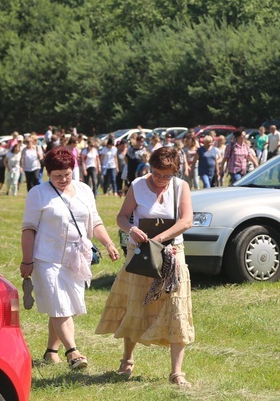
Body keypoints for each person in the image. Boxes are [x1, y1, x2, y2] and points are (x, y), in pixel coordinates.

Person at [96, 147, 195, 387]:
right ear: (149, 168)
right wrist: (131, 229)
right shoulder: (138, 185)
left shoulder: (181, 187)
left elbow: (187, 220)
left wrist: (159, 240)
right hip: (141, 254)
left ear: (175, 172)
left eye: (167, 175)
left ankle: (177, 372)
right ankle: (127, 360)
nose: (161, 180)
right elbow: (121, 217)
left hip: (172, 253)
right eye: (157, 173)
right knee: (135, 303)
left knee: (176, 306)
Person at [20, 146, 120, 369]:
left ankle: (50, 352)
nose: (63, 179)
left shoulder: (84, 190)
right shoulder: (38, 194)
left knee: (68, 307)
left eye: (66, 174)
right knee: (59, 305)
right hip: (47, 258)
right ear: (48, 173)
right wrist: (27, 260)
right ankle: (73, 353)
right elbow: (28, 229)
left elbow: (95, 221)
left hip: (76, 259)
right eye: (57, 176)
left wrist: (109, 243)